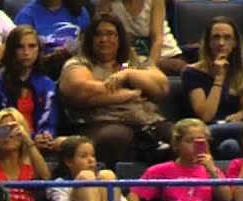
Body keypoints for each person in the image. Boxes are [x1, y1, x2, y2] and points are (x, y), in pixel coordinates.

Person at [57, 14, 168, 167]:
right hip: (101, 122)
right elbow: (83, 91)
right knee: (117, 138)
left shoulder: (134, 63)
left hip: (146, 120)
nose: (104, 40)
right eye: (98, 34)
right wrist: (131, 94)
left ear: (120, 38)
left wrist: (128, 74)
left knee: (179, 135)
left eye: (110, 34)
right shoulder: (79, 63)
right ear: (90, 39)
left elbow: (161, 86)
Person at [130, 119, 230, 201]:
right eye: (190, 141)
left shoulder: (212, 170)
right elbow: (133, 195)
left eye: (200, 141)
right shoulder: (160, 170)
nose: (195, 146)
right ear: (177, 144)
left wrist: (213, 172)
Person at [0, 26, 60, 153]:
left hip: (41, 145)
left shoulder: (47, 84)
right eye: (20, 47)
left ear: (38, 49)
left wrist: (45, 135)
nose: (26, 52)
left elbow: (50, 122)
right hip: (7, 144)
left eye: (32, 46)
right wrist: (30, 138)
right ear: (12, 50)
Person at [180, 16, 243, 158]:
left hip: (234, 133)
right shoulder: (191, 72)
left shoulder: (239, 71)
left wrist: (241, 114)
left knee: (231, 146)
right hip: (204, 132)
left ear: (235, 43)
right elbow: (206, 115)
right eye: (216, 37)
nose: (221, 43)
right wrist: (219, 78)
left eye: (227, 38)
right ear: (208, 42)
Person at [46, 135, 135, 201]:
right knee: (86, 176)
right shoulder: (59, 183)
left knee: (107, 174)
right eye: (84, 156)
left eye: (92, 155)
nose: (91, 160)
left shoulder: (100, 178)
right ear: (68, 161)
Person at [94, 0, 184, 75]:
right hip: (129, 61)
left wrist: (149, 68)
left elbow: (157, 39)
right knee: (114, 70)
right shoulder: (106, 3)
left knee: (175, 66)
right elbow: (98, 32)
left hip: (163, 57)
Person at [13, 0, 90, 76]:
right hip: (41, 71)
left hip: (76, 68)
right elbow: (22, 53)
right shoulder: (26, 15)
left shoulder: (78, 10)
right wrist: (47, 59)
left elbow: (86, 45)